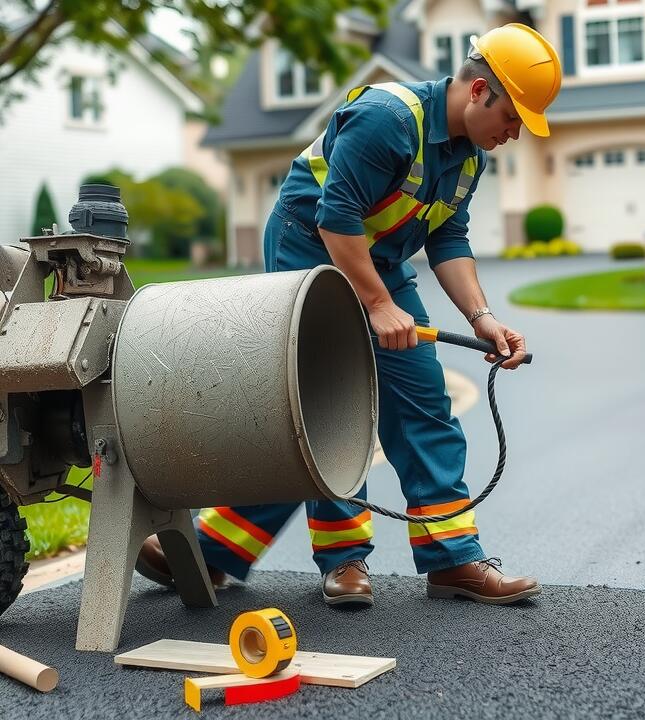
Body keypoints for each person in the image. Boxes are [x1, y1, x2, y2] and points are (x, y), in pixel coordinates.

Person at [135, 23, 561, 608]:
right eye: (514, 118)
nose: (515, 134)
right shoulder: (388, 117)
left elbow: (449, 241)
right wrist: (379, 305)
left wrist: (482, 316)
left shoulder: (469, 159)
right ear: (481, 90)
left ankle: (452, 559)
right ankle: (342, 561)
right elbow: (337, 218)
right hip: (309, 247)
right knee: (326, 405)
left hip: (376, 261)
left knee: (423, 399)